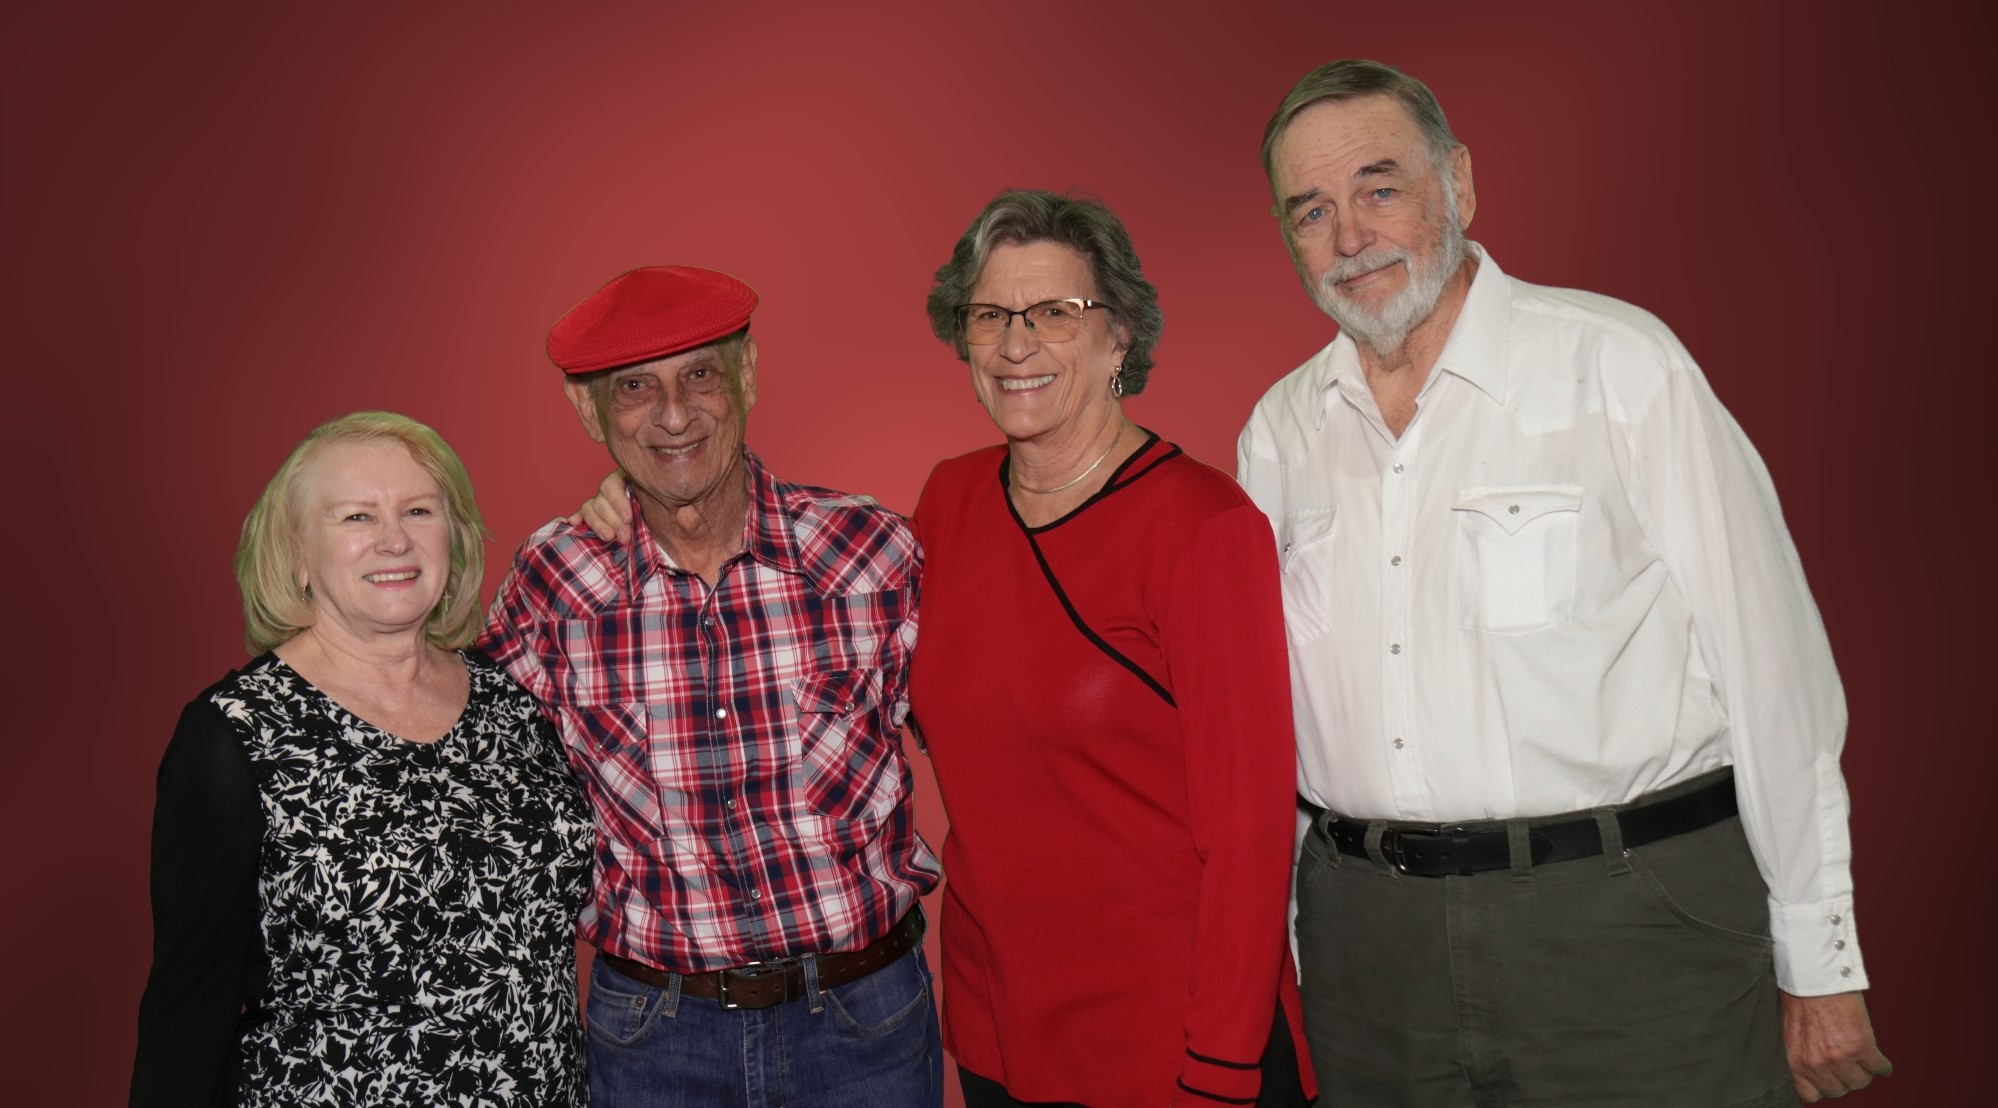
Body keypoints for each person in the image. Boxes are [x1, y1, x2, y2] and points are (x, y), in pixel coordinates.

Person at [1237, 59, 1890, 1106]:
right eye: (1310, 210)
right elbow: (1265, 725)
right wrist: (1291, 953)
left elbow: (1776, 673)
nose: (1349, 235)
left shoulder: (1619, 366)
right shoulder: (1279, 432)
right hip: (1369, 956)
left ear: (1458, 183)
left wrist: (1822, 958)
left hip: (1629, 929)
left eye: (1379, 187)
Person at [485, 265, 944, 1107]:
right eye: (634, 388)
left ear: (749, 376)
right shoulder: (552, 583)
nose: (671, 414)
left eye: (700, 374)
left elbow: (1003, 744)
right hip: (656, 1036)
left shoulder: (873, 552)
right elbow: (452, 759)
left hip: (866, 1019)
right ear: (589, 412)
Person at [912, 190, 1309, 1108]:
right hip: (999, 1026)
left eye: (1056, 313)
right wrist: (644, 498)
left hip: (1169, 1042)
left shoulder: (1202, 526)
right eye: (990, 315)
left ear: (1119, 335)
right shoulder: (950, 501)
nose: (1018, 345)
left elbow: (1249, 835)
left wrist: (1220, 1064)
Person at [130, 411, 592, 1107]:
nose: (394, 539)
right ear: (296, 557)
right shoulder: (233, 737)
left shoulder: (513, 705)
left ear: (454, 538)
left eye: (417, 510)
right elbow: (189, 1011)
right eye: (355, 517)